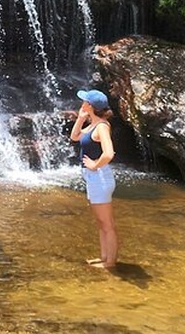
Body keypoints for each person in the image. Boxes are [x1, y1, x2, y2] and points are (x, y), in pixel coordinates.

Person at [70, 89, 118, 269]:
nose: (81, 103)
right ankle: (104, 257)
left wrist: (95, 165)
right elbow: (74, 137)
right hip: (94, 179)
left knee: (107, 224)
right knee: (102, 223)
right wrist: (81, 118)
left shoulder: (102, 127)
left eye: (84, 101)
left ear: (90, 105)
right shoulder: (93, 125)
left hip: (100, 178)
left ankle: (110, 263)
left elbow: (108, 153)